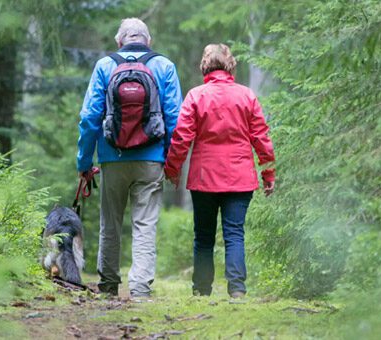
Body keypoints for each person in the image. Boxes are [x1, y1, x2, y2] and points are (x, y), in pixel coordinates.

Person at [77, 18, 182, 298]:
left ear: (119, 41)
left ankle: (109, 284)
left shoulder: (105, 66)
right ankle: (139, 289)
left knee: (110, 223)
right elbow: (175, 121)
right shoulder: (164, 66)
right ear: (149, 41)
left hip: (113, 157)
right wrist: (172, 164)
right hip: (151, 159)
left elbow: (89, 118)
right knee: (145, 224)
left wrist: (84, 162)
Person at [164, 44, 275, 298]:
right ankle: (237, 289)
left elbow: (181, 138)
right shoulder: (246, 96)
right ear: (230, 64)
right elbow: (261, 138)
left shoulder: (196, 95)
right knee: (235, 233)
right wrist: (268, 173)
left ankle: (201, 290)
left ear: (205, 64)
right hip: (240, 176)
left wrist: (173, 169)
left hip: (204, 177)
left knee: (203, 235)